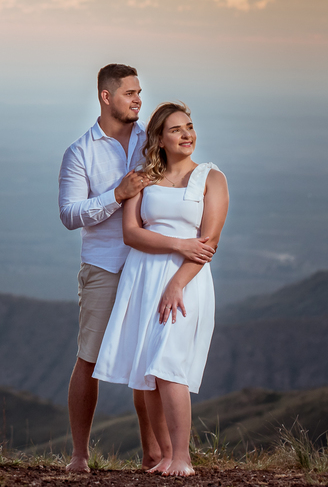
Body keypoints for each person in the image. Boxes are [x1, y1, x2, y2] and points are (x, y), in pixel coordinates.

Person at [58, 67, 215, 474]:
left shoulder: (152, 138)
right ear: (106, 96)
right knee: (89, 358)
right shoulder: (80, 152)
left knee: (148, 361)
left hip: (153, 269)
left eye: (139, 92)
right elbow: (69, 214)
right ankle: (79, 455)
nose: (138, 99)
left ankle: (156, 453)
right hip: (106, 266)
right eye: (129, 93)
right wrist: (116, 195)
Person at [93, 102, 230, 477]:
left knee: (169, 366)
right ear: (159, 138)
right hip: (143, 278)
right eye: (176, 129)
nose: (187, 134)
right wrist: (177, 244)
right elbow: (131, 233)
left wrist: (176, 283)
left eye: (189, 126)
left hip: (186, 280)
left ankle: (183, 458)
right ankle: (166, 456)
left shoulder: (211, 178)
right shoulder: (142, 177)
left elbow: (208, 243)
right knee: (147, 373)